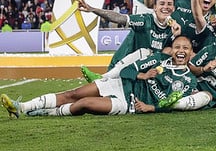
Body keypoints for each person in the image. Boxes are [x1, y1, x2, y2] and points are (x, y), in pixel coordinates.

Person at [2, 36, 197, 117]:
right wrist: (142, 75)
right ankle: (23, 106)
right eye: (177, 47)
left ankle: (48, 112)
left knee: (85, 103)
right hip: (120, 85)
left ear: (190, 53)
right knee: (73, 93)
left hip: (128, 104)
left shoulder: (189, 80)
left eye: (185, 48)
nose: (180, 51)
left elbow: (171, 102)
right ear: (172, 50)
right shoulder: (158, 58)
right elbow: (125, 71)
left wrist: (149, 107)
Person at [78, 0, 179, 78]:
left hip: (155, 69)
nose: (166, 7)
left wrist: (176, 35)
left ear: (173, 8)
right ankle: (104, 78)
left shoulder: (174, 26)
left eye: (169, 4)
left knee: (167, 51)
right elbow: (119, 18)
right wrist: (93, 9)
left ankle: (104, 78)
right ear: (155, 7)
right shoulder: (145, 20)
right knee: (145, 52)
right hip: (132, 63)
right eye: (162, 4)